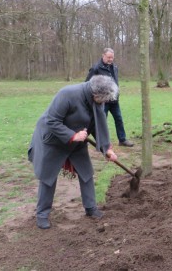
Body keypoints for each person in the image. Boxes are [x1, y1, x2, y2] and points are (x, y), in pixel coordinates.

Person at [28, 75, 119, 229]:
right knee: (48, 176)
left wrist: (106, 149)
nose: (104, 103)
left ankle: (91, 208)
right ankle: (42, 215)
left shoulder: (97, 102)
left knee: (86, 173)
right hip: (53, 140)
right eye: (103, 100)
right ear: (95, 94)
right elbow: (51, 120)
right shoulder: (67, 94)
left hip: (78, 141)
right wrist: (72, 135)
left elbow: (98, 126)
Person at [85, 48, 134, 147]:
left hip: (114, 99)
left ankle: (122, 139)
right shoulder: (96, 68)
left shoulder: (115, 67)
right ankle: (96, 141)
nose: (110, 59)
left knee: (118, 119)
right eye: (108, 57)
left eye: (112, 57)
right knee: (100, 121)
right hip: (102, 100)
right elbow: (87, 84)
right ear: (103, 55)